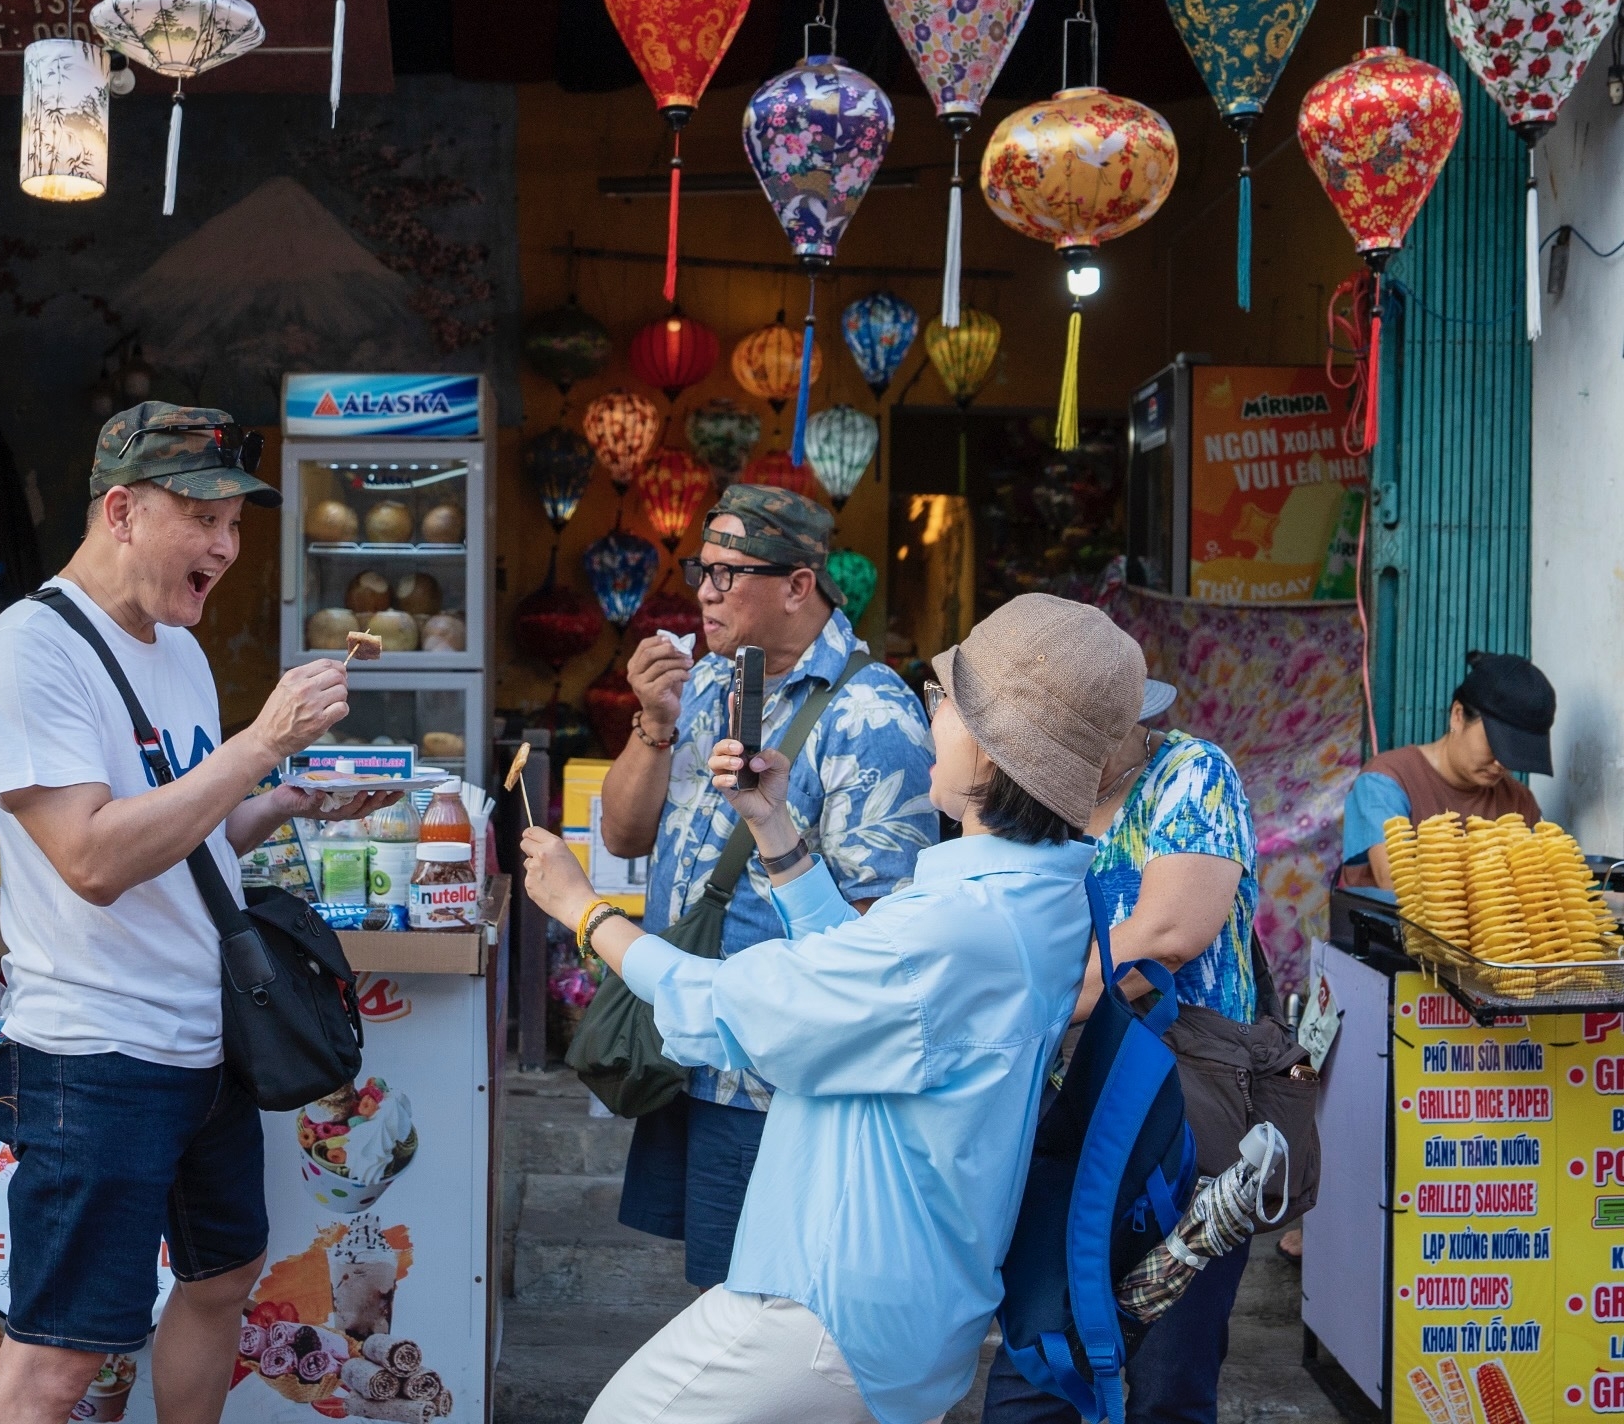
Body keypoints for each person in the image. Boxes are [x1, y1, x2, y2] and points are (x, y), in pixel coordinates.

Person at [519, 592, 1146, 1424]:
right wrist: (777, 833)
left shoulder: (963, 925)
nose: (932, 715)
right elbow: (864, 982)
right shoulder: (1036, 895)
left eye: (945, 700)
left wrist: (582, 910)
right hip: (906, 1303)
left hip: (829, 1311)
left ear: (994, 755)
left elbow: (732, 1010)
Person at [0, 403, 401, 1424]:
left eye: (237, 525)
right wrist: (258, 743)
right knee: (60, 1355)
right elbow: (93, 856)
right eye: (205, 517)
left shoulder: (180, 650)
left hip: (203, 1043)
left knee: (220, 1279)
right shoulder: (30, 650)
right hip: (94, 1055)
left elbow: (180, 841)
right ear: (121, 509)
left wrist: (286, 799)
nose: (227, 546)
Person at [595, 483, 937, 1287]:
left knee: (761, 1308)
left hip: (779, 1086)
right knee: (718, 1294)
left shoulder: (871, 717)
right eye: (700, 570)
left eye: (728, 574)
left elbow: (878, 938)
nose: (703, 593)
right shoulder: (710, 681)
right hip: (696, 1049)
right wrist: (653, 720)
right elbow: (623, 834)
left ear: (797, 585)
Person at [980, 677, 1264, 1424]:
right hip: (1063, 1112)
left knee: (1170, 1376)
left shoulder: (1191, 773)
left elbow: (1166, 937)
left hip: (1180, 1112)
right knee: (1035, 1359)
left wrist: (1018, 1014)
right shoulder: (1036, 796)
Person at [1342, 651, 1554, 889]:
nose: (1501, 764)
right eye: (1496, 745)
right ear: (1457, 716)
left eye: (1516, 753)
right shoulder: (1385, 782)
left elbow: (1541, 886)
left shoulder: (1518, 801)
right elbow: (1394, 883)